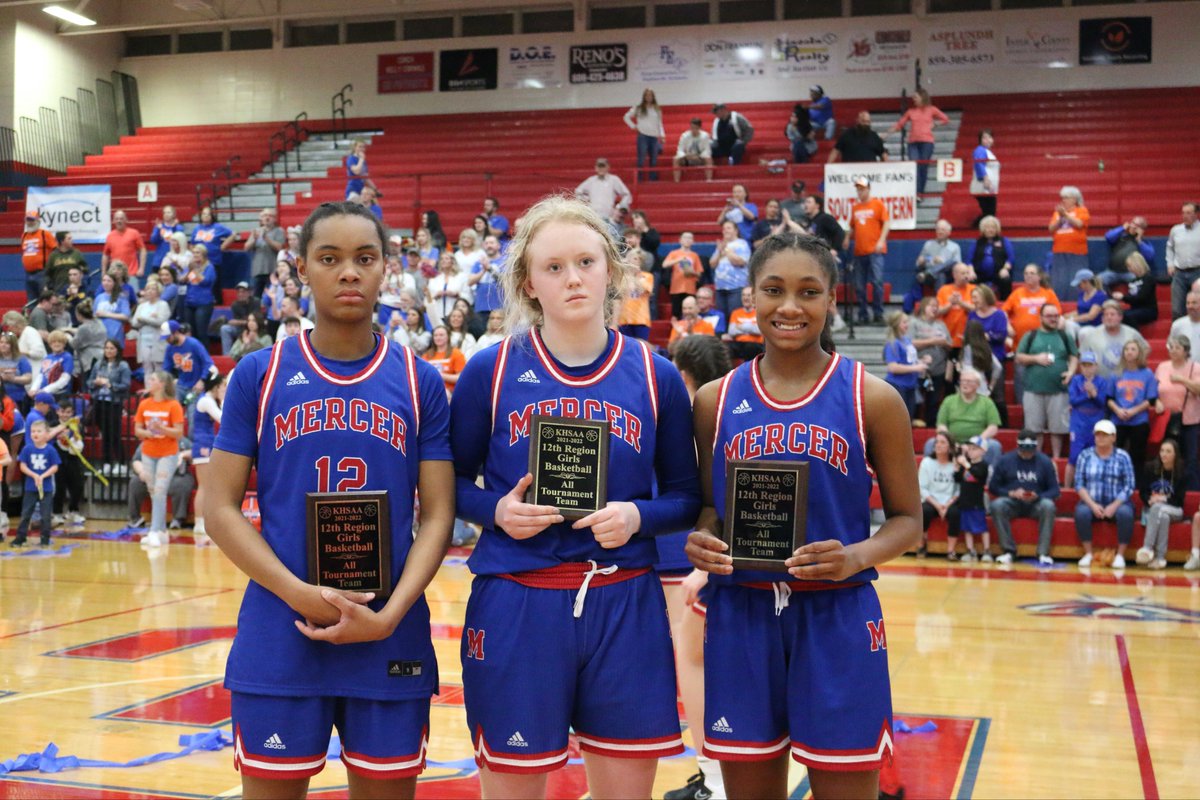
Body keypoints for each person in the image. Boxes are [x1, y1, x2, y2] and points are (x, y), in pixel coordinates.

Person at [449, 195, 699, 798]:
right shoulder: (492, 370)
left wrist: (639, 516)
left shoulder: (655, 372)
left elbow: (687, 496)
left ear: (611, 270)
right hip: (517, 597)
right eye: (553, 267)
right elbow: (447, 484)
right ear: (528, 283)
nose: (572, 279)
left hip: (625, 601)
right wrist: (497, 511)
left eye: (585, 262)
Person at [203, 201, 453, 797]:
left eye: (365, 258)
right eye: (330, 258)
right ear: (301, 269)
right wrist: (300, 594)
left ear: (386, 268)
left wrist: (388, 616)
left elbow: (440, 513)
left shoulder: (418, 381)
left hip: (388, 628)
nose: (349, 272)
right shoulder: (258, 375)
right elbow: (217, 509)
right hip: (281, 626)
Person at [685, 232, 919, 799]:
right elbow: (709, 508)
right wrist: (701, 539)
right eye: (774, 290)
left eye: (808, 291)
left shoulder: (873, 397)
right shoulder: (714, 400)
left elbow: (909, 521)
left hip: (836, 615)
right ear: (751, 297)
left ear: (832, 300)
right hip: (742, 614)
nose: (790, 307)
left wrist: (855, 556)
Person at [660, 333, 732, 800]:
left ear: (683, 373)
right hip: (688, 552)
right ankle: (713, 772)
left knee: (694, 666)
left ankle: (715, 777)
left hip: (685, 555)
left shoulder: (694, 416)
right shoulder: (727, 410)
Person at [988, 430, 1061, 566]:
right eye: (1024, 450)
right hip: (1013, 502)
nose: (1027, 453)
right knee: (997, 505)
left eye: (1030, 450)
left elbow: (1055, 490)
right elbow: (993, 487)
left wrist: (1037, 496)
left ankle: (1043, 553)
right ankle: (1009, 551)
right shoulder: (1005, 460)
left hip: (1036, 504)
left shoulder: (1045, 461)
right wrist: (1010, 493)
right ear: (1018, 446)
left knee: (1048, 505)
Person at [1015, 303, 1076, 458]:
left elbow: (1074, 356)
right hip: (1033, 389)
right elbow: (1019, 357)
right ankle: (1037, 457)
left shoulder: (1064, 336)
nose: (1053, 319)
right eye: (1049, 316)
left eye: (1056, 316)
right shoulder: (1031, 335)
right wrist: (1036, 358)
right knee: (1034, 428)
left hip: (1059, 389)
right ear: (1041, 317)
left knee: (1058, 428)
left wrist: (1071, 372)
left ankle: (1056, 457)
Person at [1074, 419, 1135, 569]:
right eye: (1098, 435)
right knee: (1081, 512)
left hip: (1117, 502)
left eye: (1104, 435)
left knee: (1126, 514)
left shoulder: (1123, 457)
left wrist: (1114, 506)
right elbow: (1079, 484)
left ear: (1113, 437)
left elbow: (1129, 485)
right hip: (1091, 501)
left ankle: (1120, 555)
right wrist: (1093, 505)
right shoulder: (1085, 456)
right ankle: (1088, 553)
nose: (1100, 438)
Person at [134, 370, 185, 548]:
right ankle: (161, 531)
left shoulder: (173, 405)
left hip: (168, 453)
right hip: (148, 452)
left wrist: (162, 429)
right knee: (153, 490)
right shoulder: (144, 404)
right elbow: (137, 430)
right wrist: (148, 432)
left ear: (162, 384)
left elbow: (179, 433)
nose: (149, 381)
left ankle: (154, 531)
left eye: (153, 379)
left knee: (160, 490)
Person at [1108, 339, 1156, 486]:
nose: (1129, 352)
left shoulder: (1147, 374)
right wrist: (1118, 410)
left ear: (1139, 353)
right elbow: (1109, 398)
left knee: (1138, 455)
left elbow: (1151, 399)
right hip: (1118, 419)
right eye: (1127, 349)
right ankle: (1115, 482)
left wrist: (1133, 411)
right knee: (1114, 454)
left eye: (1133, 349)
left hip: (1139, 420)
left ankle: (1136, 485)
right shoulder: (1116, 373)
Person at [1154, 334, 1200, 481]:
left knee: (1190, 457)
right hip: (1166, 419)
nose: (1173, 351)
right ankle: (1167, 486)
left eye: (1177, 348)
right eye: (1171, 347)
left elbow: (1198, 389)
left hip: (1189, 419)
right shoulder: (1162, 366)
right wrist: (1156, 401)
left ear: (1186, 351)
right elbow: (1153, 389)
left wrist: (1181, 379)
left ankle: (1192, 492)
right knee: (1167, 456)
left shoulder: (1195, 367)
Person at [845, 176, 890, 325]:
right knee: (859, 286)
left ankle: (878, 314)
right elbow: (851, 225)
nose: (859, 192)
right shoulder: (855, 207)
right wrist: (846, 238)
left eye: (862, 189)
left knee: (877, 282)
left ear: (868, 189)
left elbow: (887, 223)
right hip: (859, 251)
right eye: (858, 189)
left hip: (875, 251)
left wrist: (881, 241)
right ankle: (863, 314)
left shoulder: (877, 204)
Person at [885, 89, 948, 195]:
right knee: (914, 166)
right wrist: (886, 134)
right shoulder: (911, 111)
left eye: (915, 97)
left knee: (923, 166)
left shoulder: (931, 109)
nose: (913, 99)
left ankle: (920, 192)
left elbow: (945, 119)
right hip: (913, 143)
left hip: (927, 142)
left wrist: (935, 124)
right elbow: (899, 124)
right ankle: (916, 191)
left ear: (922, 97)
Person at [1137, 438, 1186, 570]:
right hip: (1156, 511)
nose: (1164, 454)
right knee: (1162, 517)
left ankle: (1147, 547)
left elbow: (1179, 501)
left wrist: (1161, 499)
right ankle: (1160, 558)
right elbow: (1143, 492)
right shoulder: (1150, 468)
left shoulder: (1181, 472)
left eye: (1168, 451)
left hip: (1176, 510)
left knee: (1158, 508)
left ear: (1175, 454)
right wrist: (1149, 500)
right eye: (1162, 451)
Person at [934, 367, 1001, 463]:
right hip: (952, 441)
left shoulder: (987, 402)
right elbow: (941, 425)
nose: (965, 384)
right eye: (963, 381)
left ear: (978, 385)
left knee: (994, 446)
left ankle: (990, 476)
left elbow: (993, 427)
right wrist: (951, 442)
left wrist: (976, 442)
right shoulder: (948, 401)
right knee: (930, 444)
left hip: (978, 442)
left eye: (969, 381)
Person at [189, 372, 224, 545]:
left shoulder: (210, 400)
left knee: (209, 485)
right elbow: (223, 418)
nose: (224, 389)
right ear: (216, 386)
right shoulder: (206, 400)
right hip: (202, 445)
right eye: (222, 386)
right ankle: (198, 522)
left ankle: (205, 522)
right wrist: (225, 399)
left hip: (209, 444)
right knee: (203, 485)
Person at [1065, 351, 1110, 489]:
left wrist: (1094, 394)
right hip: (1078, 422)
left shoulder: (1101, 381)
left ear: (1095, 366)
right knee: (1073, 457)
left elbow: (1102, 402)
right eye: (1084, 365)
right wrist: (1089, 395)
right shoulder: (1076, 380)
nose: (1087, 368)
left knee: (1095, 455)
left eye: (1090, 365)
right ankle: (1067, 488)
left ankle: (1092, 487)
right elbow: (1073, 400)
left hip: (1095, 421)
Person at [11, 419, 59, 548]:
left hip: (46, 488)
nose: (35, 434)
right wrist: (34, 475)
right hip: (30, 487)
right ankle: (20, 538)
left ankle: (45, 538)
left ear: (46, 433)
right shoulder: (27, 449)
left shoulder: (50, 450)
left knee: (45, 515)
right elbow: (22, 465)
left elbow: (55, 467)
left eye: (38, 431)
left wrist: (43, 476)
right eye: (32, 431)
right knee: (26, 513)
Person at [128, 440, 195, 530]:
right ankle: (135, 519)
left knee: (182, 485)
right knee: (135, 482)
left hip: (175, 476)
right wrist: (142, 471)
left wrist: (183, 454)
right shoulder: (148, 441)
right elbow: (136, 460)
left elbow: (196, 451)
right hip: (153, 476)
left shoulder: (182, 441)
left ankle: (177, 520)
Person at [88, 339, 131, 472]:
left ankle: (121, 462)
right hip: (99, 401)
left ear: (117, 350)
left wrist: (110, 385)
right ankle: (106, 462)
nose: (109, 351)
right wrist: (96, 382)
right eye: (107, 348)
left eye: (112, 348)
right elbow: (89, 381)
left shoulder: (123, 365)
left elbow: (126, 385)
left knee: (114, 433)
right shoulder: (99, 364)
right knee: (104, 434)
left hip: (114, 402)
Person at [947, 436, 991, 562]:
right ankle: (970, 550)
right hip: (965, 502)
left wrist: (965, 463)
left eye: (975, 449)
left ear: (983, 451)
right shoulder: (966, 465)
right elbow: (957, 479)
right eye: (970, 449)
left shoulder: (983, 465)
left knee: (981, 527)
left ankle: (986, 550)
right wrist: (956, 466)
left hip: (977, 503)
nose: (971, 451)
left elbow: (978, 474)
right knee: (967, 528)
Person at [1078, 301, 1148, 378]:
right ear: (1102, 318)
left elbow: (1145, 349)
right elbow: (1082, 355)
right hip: (1101, 383)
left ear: (1120, 317)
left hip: (1126, 382)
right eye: (1106, 315)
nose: (1109, 317)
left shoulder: (1132, 333)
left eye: (1112, 314)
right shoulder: (1092, 335)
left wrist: (1136, 365)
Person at [912, 297, 952, 429]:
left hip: (938, 369)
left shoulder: (941, 325)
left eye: (937, 306)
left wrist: (944, 343)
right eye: (931, 305)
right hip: (919, 370)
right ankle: (914, 424)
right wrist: (932, 341)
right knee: (917, 399)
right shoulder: (914, 323)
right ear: (923, 307)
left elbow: (950, 345)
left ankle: (931, 426)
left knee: (933, 400)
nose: (935, 308)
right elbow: (909, 343)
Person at [1002, 264, 1060, 356]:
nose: (1028, 275)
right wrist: (1007, 325)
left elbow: (1058, 314)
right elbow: (1003, 312)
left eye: (1032, 273)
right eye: (1026, 273)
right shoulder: (1017, 293)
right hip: (1021, 347)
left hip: (1043, 345)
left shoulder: (1049, 293)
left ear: (1039, 276)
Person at [905, 219, 961, 312]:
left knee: (946, 268)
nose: (940, 232)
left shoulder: (955, 247)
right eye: (938, 229)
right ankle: (938, 304)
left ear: (948, 232)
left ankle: (930, 274)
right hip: (928, 277)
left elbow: (958, 265)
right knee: (937, 275)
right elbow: (918, 264)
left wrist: (943, 263)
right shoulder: (928, 244)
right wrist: (921, 262)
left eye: (943, 230)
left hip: (947, 276)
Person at [917, 431, 958, 558]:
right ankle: (921, 545)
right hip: (931, 500)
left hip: (949, 501)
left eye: (942, 442)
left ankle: (951, 551)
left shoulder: (955, 464)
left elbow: (959, 489)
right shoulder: (927, 462)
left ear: (950, 447)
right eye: (937, 442)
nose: (938, 445)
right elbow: (922, 488)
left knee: (956, 513)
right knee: (924, 511)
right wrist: (938, 506)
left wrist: (947, 505)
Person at [883, 310, 927, 420]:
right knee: (900, 420)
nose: (907, 325)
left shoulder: (906, 340)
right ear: (897, 324)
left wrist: (920, 361)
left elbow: (908, 360)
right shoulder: (893, 343)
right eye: (904, 322)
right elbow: (892, 367)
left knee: (909, 418)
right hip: (898, 386)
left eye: (907, 322)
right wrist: (916, 368)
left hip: (910, 385)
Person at [1048, 186, 1090, 300]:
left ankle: (1076, 302)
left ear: (1075, 199)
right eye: (1062, 198)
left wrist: (1065, 215)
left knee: (1075, 279)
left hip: (1077, 252)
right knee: (1059, 280)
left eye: (1066, 198)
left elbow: (1079, 224)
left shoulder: (1082, 210)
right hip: (1059, 250)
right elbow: (1051, 228)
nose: (1063, 200)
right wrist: (1060, 219)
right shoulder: (1057, 212)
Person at [51, 397, 86, 530]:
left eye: (68, 412)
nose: (65, 415)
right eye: (62, 411)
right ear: (57, 412)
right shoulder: (52, 424)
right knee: (59, 487)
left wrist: (76, 437)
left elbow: (81, 443)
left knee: (77, 485)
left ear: (72, 413)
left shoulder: (77, 425)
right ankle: (57, 513)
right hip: (58, 459)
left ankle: (73, 511)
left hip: (73, 458)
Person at [161, 320, 215, 402]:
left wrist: (202, 380)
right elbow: (166, 369)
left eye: (168, 337)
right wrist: (170, 380)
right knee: (171, 405)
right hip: (180, 385)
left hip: (195, 386)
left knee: (192, 412)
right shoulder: (170, 348)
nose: (166, 340)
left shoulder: (194, 344)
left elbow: (208, 363)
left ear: (175, 333)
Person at [574, 158, 633, 231]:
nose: (601, 169)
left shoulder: (613, 180)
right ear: (596, 168)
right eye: (599, 166)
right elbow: (578, 191)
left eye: (603, 166)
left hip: (609, 217)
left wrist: (619, 207)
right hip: (594, 217)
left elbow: (626, 194)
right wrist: (585, 202)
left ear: (608, 167)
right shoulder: (591, 180)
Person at [964, 215, 1014, 300]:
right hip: (980, 274)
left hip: (999, 273)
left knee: (1006, 280)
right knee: (970, 280)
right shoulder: (977, 242)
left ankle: (1005, 303)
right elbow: (969, 260)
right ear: (983, 229)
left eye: (993, 227)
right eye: (988, 227)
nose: (990, 230)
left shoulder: (1004, 241)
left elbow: (1011, 258)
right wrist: (971, 271)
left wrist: (1005, 269)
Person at [712, 220, 752, 325]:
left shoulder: (742, 244)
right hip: (720, 287)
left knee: (734, 316)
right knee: (721, 317)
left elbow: (739, 262)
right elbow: (712, 264)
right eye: (724, 228)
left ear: (736, 230)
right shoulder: (722, 245)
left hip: (736, 287)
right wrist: (719, 251)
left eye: (728, 228)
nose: (725, 231)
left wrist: (727, 250)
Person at [1099, 216, 1154, 290]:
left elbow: (1150, 256)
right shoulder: (1121, 236)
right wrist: (1122, 228)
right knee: (1098, 281)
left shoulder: (1143, 242)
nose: (1134, 226)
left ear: (1142, 229)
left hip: (1131, 273)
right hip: (1112, 271)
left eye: (1137, 226)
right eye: (1133, 223)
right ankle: (1108, 300)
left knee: (1139, 284)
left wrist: (1139, 241)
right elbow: (1108, 237)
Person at [1166, 201, 1200, 320]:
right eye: (1183, 213)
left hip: (1198, 272)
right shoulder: (1176, 230)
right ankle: (1178, 337)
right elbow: (1170, 248)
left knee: (1197, 306)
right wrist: (1170, 264)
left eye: (1189, 213)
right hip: (1179, 273)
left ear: (1196, 214)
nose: (1185, 215)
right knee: (1177, 309)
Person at [624, 88, 666, 181]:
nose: (648, 97)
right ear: (644, 96)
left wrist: (662, 135)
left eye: (650, 95)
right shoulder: (638, 108)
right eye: (647, 95)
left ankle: (653, 179)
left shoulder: (657, 109)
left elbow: (660, 123)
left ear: (653, 96)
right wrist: (633, 126)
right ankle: (639, 179)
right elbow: (626, 117)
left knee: (654, 159)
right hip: (643, 136)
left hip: (654, 137)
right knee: (641, 159)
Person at [1110, 252, 1158, 330]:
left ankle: (1135, 337)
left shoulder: (1148, 279)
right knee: (1119, 314)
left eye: (1129, 266)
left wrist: (1123, 297)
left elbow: (1142, 297)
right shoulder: (1132, 280)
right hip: (1135, 309)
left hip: (1148, 310)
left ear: (1137, 265)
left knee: (1128, 316)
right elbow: (1131, 298)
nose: (1128, 269)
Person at [131, 281, 171, 373]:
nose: (150, 291)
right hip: (144, 340)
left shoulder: (163, 305)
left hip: (158, 340)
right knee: (147, 367)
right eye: (147, 289)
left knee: (158, 367)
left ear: (158, 291)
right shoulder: (141, 306)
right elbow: (134, 323)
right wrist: (150, 319)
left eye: (153, 289)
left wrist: (143, 319)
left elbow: (161, 322)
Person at [935, 263, 977, 350]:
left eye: (967, 273)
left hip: (967, 338)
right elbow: (937, 312)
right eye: (963, 273)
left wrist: (960, 303)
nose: (966, 276)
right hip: (947, 337)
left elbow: (977, 310)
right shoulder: (944, 290)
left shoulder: (974, 289)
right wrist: (950, 304)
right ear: (954, 275)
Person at [101, 210, 147, 288]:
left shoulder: (134, 233)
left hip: (131, 274)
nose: (119, 221)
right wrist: (104, 272)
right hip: (114, 275)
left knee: (133, 297)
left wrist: (141, 268)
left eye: (121, 219)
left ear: (126, 220)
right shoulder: (110, 236)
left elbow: (143, 250)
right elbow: (105, 255)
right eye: (117, 219)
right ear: (113, 221)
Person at [183, 243, 218, 345]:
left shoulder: (209, 267)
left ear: (204, 254)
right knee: (190, 331)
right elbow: (181, 280)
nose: (195, 255)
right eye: (193, 253)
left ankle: (204, 356)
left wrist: (195, 271)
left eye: (197, 252)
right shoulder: (190, 267)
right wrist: (189, 270)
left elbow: (206, 281)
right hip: (189, 302)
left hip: (204, 302)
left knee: (201, 331)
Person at [244, 208, 285, 293]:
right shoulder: (256, 231)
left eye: (270, 216)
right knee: (255, 296)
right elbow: (246, 248)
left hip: (272, 270)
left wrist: (266, 238)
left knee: (271, 296)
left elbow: (279, 247)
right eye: (264, 216)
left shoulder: (279, 231)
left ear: (275, 219)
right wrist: (254, 240)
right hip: (258, 270)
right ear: (261, 219)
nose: (267, 218)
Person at [20, 210, 57, 302]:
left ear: (38, 221)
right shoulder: (24, 236)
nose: (30, 223)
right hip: (28, 274)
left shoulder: (45, 234)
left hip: (42, 273)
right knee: (31, 300)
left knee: (45, 299)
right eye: (28, 220)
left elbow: (55, 251)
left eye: (32, 220)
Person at [665, 232, 702, 319]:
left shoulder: (695, 255)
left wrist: (692, 272)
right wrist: (678, 259)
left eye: (690, 238)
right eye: (685, 238)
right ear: (680, 240)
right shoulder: (674, 253)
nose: (687, 240)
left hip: (690, 288)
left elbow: (699, 273)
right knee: (676, 314)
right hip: (676, 288)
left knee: (690, 314)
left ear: (693, 241)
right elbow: (665, 264)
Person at [190, 206, 237, 272]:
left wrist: (223, 246)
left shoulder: (218, 227)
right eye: (204, 214)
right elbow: (192, 245)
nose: (206, 216)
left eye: (208, 214)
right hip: (199, 264)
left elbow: (233, 234)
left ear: (212, 216)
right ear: (201, 216)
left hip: (213, 262)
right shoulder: (197, 228)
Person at [723, 286, 764, 362]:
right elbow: (731, 332)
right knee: (726, 348)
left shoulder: (760, 312)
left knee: (750, 347)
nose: (745, 298)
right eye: (743, 295)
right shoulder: (735, 313)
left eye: (748, 295)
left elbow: (759, 330)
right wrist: (751, 328)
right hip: (739, 344)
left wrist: (741, 327)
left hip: (755, 344)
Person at [70, 300, 107, 379]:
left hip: (90, 359)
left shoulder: (83, 328)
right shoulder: (99, 322)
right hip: (102, 356)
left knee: (89, 383)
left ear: (79, 315)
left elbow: (74, 344)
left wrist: (67, 337)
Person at [970, 130, 999, 227]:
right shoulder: (980, 150)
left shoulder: (987, 151)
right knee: (990, 212)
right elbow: (979, 163)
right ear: (980, 140)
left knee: (988, 212)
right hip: (983, 186)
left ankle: (979, 227)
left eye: (989, 137)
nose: (988, 140)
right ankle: (978, 227)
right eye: (984, 138)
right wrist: (985, 178)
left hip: (988, 187)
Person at [1063, 269, 1107, 333]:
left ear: (1086, 282)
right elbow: (1080, 311)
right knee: (1067, 325)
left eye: (1079, 284)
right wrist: (1065, 316)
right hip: (1081, 324)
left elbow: (1091, 316)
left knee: (1083, 332)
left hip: (1094, 326)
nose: (1078, 286)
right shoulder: (1082, 294)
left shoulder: (1099, 295)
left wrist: (1072, 319)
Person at [673, 117, 714, 182]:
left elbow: (707, 150)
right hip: (687, 158)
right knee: (676, 159)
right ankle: (676, 181)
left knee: (709, 159)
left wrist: (699, 156)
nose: (693, 130)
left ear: (700, 128)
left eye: (696, 128)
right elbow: (679, 149)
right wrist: (686, 156)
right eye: (692, 128)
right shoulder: (684, 136)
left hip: (700, 158)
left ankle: (709, 180)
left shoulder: (705, 136)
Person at [149, 205, 184, 271]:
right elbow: (153, 241)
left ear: (174, 214)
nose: (166, 214)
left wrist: (174, 228)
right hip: (159, 260)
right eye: (164, 212)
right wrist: (159, 230)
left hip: (173, 260)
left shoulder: (178, 227)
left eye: (168, 212)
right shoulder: (159, 226)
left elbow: (179, 241)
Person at [1169, 291, 1200, 360]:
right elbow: (1171, 346)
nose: (1190, 306)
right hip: (1185, 369)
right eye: (1188, 303)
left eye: (1194, 303)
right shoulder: (1178, 325)